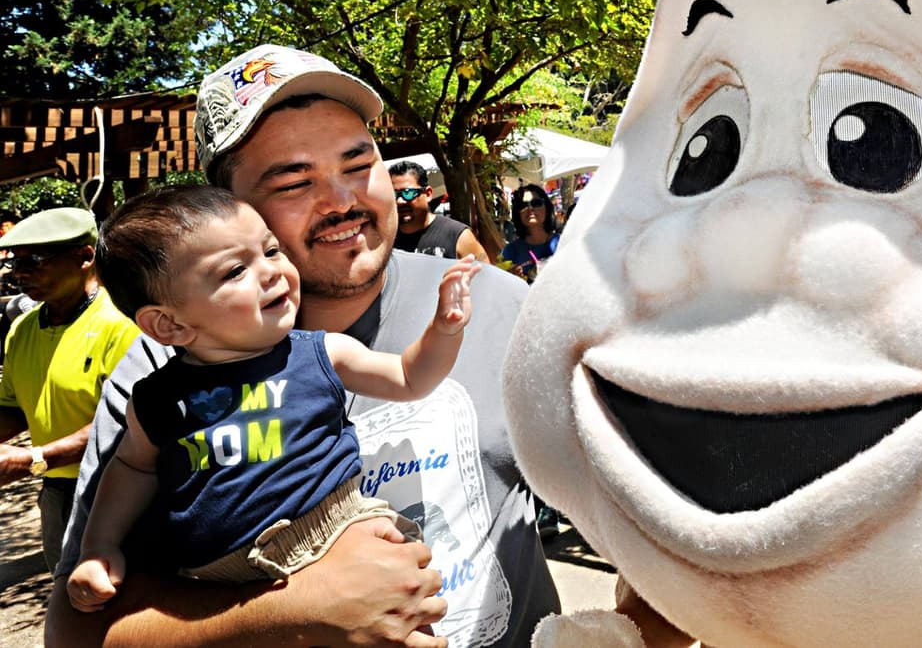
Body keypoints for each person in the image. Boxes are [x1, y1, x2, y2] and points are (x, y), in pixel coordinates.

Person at [46, 44, 559, 648]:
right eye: (294, 180)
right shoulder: (158, 374)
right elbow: (73, 631)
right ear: (231, 209)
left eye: (358, 161)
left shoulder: (500, 305)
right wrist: (292, 613)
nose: (342, 199)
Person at [66, 184, 481, 612]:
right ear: (168, 325)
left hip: (335, 534)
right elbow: (132, 467)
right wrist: (98, 547)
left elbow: (409, 377)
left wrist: (443, 330)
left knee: (397, 611)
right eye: (233, 272)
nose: (270, 271)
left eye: (271, 250)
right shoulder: (156, 399)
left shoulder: (321, 353)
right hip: (215, 580)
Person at [0, 207, 140, 572]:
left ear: (85, 256)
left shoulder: (123, 323)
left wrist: (33, 458)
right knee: (69, 593)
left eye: (35, 260)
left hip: (120, 488)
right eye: (16, 261)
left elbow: (123, 422)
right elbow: (14, 409)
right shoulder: (24, 329)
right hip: (57, 492)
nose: (19, 272)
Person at [388, 160, 490, 263]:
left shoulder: (456, 236)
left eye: (408, 193)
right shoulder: (384, 240)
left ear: (428, 194)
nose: (400, 201)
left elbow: (485, 275)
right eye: (394, 195)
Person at [501, 184, 560, 282]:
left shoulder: (562, 243)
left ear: (547, 209)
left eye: (536, 203)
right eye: (523, 205)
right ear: (518, 213)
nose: (530, 208)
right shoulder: (510, 251)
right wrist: (510, 279)